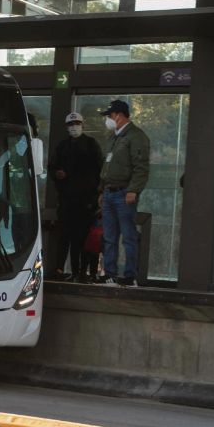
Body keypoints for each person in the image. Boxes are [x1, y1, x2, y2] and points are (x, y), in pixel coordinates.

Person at [99, 100, 150, 287]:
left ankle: (130, 276)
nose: (107, 120)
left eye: (109, 116)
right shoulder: (114, 137)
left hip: (124, 193)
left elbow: (141, 167)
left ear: (118, 115)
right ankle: (110, 274)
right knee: (109, 237)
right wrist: (102, 190)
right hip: (109, 192)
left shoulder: (136, 136)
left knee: (128, 236)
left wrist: (134, 190)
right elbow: (107, 166)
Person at [49, 112, 103, 282]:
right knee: (64, 237)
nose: (74, 127)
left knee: (81, 238)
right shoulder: (62, 146)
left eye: (77, 123)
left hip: (85, 201)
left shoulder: (91, 144)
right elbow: (52, 167)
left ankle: (79, 271)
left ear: (83, 124)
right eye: (71, 124)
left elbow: (98, 170)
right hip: (66, 200)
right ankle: (59, 269)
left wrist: (96, 196)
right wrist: (57, 174)